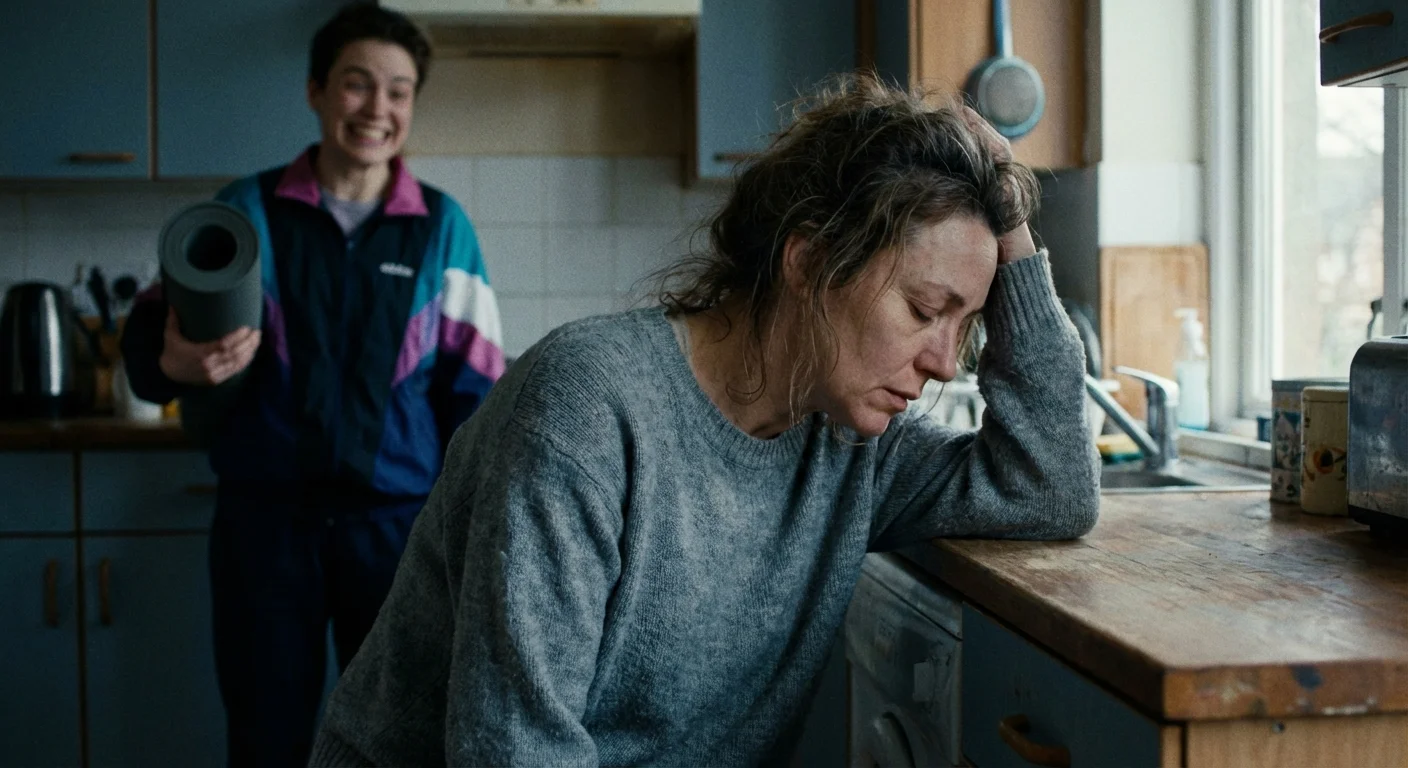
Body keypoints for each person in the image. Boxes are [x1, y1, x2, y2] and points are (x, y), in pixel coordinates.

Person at [309, 74, 1098, 767]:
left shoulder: (853, 446)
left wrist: (1014, 235)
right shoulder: (587, 409)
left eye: (966, 325)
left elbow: (1050, 484)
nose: (945, 362)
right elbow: (515, 752)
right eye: (927, 310)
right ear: (810, 262)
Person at [119, 4, 504, 765]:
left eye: (397, 91)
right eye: (357, 85)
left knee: (398, 745)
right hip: (266, 532)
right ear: (317, 91)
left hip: (399, 536)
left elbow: (480, 394)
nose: (377, 109)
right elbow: (146, 339)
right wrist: (173, 364)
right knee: (266, 742)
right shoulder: (246, 210)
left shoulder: (442, 226)